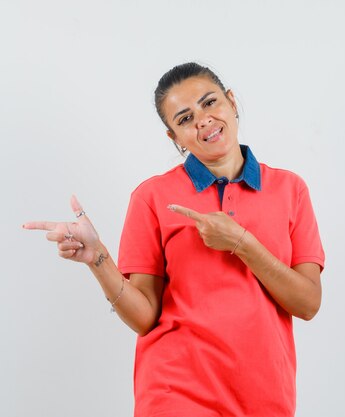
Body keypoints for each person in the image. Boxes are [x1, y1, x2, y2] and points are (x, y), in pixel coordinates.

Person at [23, 62, 325, 417]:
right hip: (175, 393)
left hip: (265, 397)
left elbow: (307, 304)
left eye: (210, 102)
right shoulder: (153, 197)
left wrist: (242, 242)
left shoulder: (290, 190)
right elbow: (144, 318)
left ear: (231, 102)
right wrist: (98, 258)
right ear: (174, 137)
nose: (202, 120)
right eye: (184, 119)